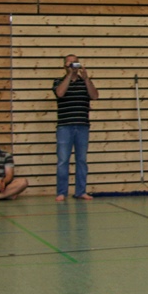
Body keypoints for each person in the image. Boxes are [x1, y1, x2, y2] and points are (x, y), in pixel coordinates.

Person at [53, 53, 100, 201]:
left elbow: (94, 96)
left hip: (82, 126)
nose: (73, 66)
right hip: (64, 126)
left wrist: (86, 79)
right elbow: (60, 93)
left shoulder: (84, 82)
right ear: (64, 66)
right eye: (70, 63)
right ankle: (62, 192)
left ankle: (81, 191)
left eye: (75, 63)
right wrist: (69, 75)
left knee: (81, 160)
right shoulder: (58, 81)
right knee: (63, 160)